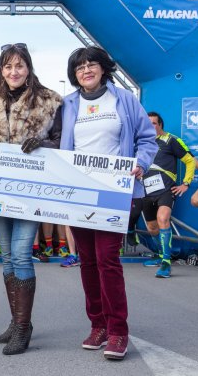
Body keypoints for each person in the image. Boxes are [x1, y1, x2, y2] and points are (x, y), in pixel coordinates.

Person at [61, 46, 157, 360]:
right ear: (74, 75)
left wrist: (141, 164)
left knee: (108, 260)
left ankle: (118, 330)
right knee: (87, 261)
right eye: (79, 67)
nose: (86, 70)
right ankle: (98, 324)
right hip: (78, 192)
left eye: (91, 64)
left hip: (114, 193)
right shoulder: (68, 104)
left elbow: (147, 138)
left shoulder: (125, 99)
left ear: (103, 68)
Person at [0, 43, 63, 355]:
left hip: (31, 191)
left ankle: (23, 327)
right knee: (9, 257)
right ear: (1, 70)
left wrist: (43, 144)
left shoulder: (50, 100)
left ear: (29, 68)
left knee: (22, 253)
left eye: (19, 65)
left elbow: (62, 143)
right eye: (8, 66)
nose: (14, 71)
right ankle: (17, 322)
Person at [138, 111, 198, 278]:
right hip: (146, 191)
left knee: (163, 219)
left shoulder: (170, 140)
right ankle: (160, 255)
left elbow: (189, 160)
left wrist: (186, 183)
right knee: (152, 228)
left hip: (166, 190)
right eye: (148, 123)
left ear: (160, 125)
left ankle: (166, 263)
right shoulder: (141, 143)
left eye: (153, 123)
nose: (150, 126)